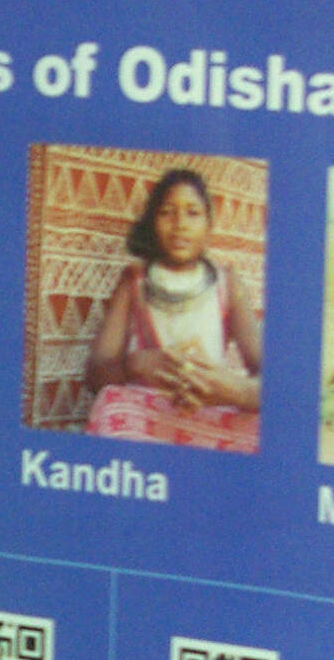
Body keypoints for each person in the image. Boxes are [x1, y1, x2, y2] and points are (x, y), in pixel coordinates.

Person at [82, 165, 262, 452]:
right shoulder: (134, 282)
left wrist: (229, 389)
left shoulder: (228, 281)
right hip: (150, 412)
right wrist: (135, 365)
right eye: (167, 212)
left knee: (265, 429)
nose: (180, 223)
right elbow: (95, 377)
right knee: (110, 406)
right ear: (153, 222)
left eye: (193, 213)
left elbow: (271, 383)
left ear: (208, 225)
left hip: (209, 414)